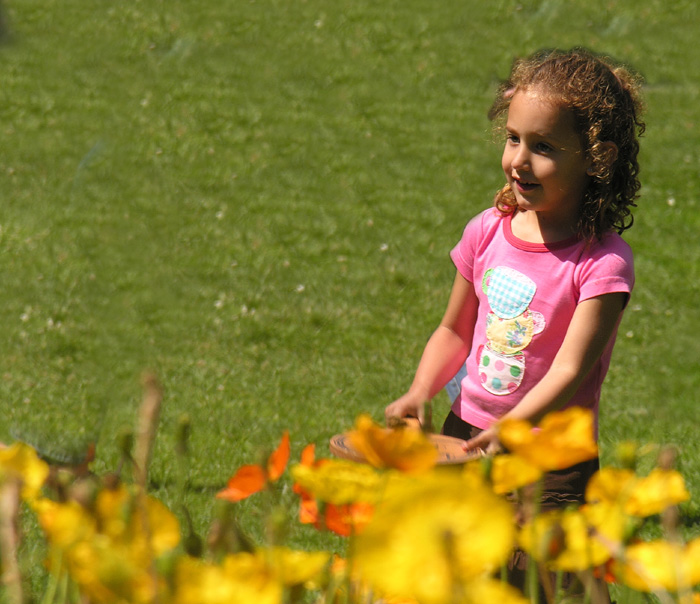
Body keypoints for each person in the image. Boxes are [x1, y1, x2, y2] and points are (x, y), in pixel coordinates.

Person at [385, 47, 644, 601]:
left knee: (538, 589)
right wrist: (419, 391)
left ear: (597, 158)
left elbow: (570, 370)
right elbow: (454, 330)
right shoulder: (487, 231)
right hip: (463, 438)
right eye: (513, 139)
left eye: (544, 147)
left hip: (552, 468)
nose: (519, 160)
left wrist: (513, 428)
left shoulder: (602, 264)